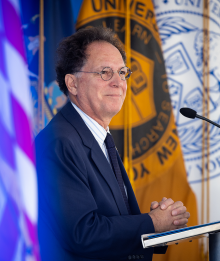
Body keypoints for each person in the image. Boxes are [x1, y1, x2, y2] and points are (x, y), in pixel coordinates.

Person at [35, 27, 190, 261]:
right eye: (105, 72)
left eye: (122, 72)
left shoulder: (97, 136)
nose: (119, 83)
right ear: (73, 84)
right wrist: (152, 222)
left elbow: (114, 219)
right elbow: (83, 234)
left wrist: (162, 225)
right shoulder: (59, 143)